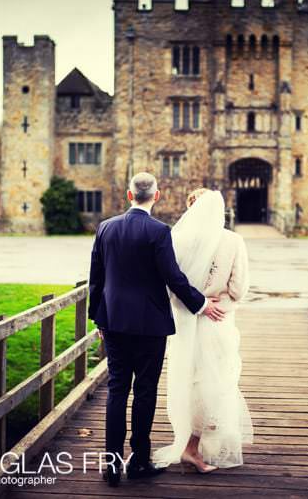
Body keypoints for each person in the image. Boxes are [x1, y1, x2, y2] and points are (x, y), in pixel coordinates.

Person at [88, 173, 225, 487]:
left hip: (114, 323)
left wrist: (99, 320)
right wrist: (202, 304)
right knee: (145, 392)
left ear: (128, 195)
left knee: (116, 391)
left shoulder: (105, 228)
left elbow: (96, 279)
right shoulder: (159, 231)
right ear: (157, 196)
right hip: (150, 325)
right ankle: (137, 463)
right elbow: (173, 278)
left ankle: (111, 466)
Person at [153, 188, 253, 473]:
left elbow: (169, 285)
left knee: (190, 380)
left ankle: (190, 443)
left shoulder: (180, 240)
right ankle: (192, 448)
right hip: (217, 321)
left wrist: (192, 304)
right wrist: (221, 303)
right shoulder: (233, 241)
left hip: (186, 322)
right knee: (217, 381)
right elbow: (239, 288)